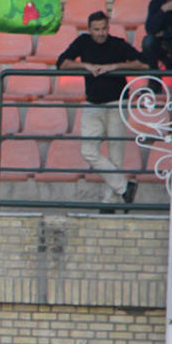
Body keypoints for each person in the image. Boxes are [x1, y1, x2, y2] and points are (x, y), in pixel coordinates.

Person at [56, 11, 147, 211]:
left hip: (117, 103)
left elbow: (142, 62)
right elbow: (61, 63)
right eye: (96, 29)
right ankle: (124, 188)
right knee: (88, 150)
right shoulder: (82, 42)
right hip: (93, 103)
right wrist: (86, 66)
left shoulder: (118, 43)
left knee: (116, 153)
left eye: (104, 28)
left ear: (108, 27)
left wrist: (113, 67)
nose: (100, 33)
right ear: (89, 30)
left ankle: (109, 203)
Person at [143, 0, 172, 70]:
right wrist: (163, 10)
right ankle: (154, 80)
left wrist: (164, 33)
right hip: (163, 48)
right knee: (148, 41)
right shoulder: (155, 4)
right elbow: (150, 29)